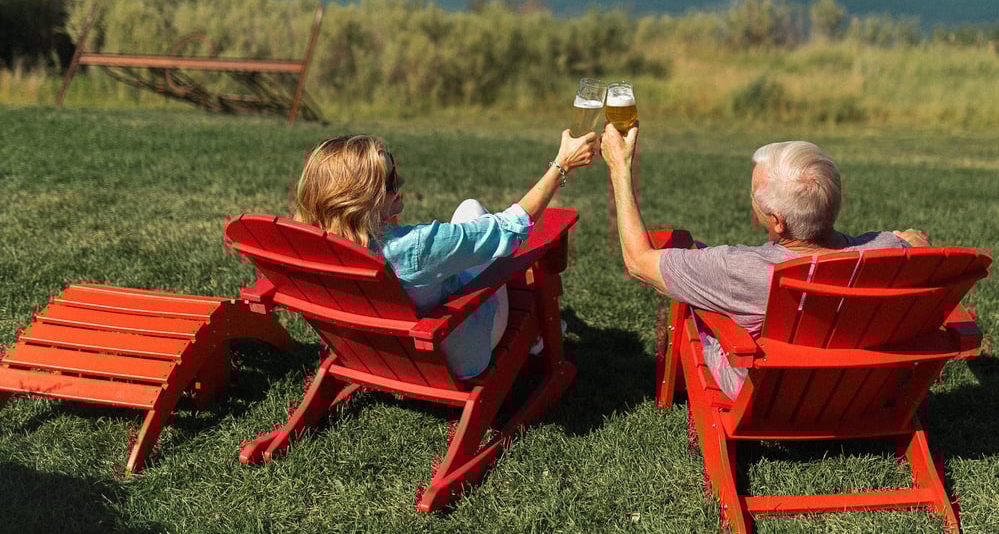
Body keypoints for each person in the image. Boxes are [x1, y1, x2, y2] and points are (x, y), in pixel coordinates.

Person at [600, 124, 929, 398]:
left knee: (692, 305)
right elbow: (917, 241)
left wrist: (619, 167)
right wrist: (909, 238)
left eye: (753, 195)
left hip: (767, 396)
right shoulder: (885, 250)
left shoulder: (739, 269)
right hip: (860, 392)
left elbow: (638, 262)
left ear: (775, 221)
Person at [294, 129, 597, 379]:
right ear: (362, 200)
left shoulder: (309, 247)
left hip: (375, 355)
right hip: (454, 354)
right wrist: (561, 165)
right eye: (389, 181)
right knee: (488, 232)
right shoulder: (417, 246)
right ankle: (536, 335)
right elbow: (510, 227)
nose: (399, 185)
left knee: (469, 211)